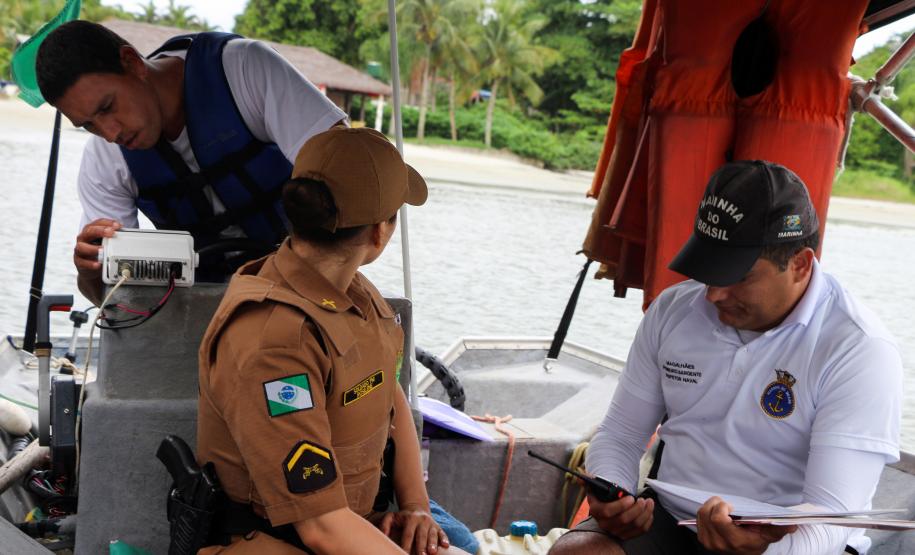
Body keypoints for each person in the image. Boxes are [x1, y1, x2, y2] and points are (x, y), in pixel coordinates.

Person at [550, 160, 902, 555]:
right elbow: (621, 433)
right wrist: (613, 492)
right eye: (708, 269)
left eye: (738, 276)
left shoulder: (857, 348)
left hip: (791, 541)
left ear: (800, 265)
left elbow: (832, 516)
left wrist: (762, 552)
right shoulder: (672, 311)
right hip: (675, 517)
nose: (714, 293)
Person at [196, 127, 470, 555]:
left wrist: (416, 506)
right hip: (278, 540)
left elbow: (386, 390)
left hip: (353, 521)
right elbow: (321, 527)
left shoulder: (356, 294)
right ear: (380, 232)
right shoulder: (275, 340)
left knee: (462, 544)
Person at [34, 20, 347, 303]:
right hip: (193, 311)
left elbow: (354, 171)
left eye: (106, 107)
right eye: (88, 124)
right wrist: (88, 271)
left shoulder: (244, 69)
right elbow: (113, 301)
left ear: (132, 63)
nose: (109, 132)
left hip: (306, 292)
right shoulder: (104, 159)